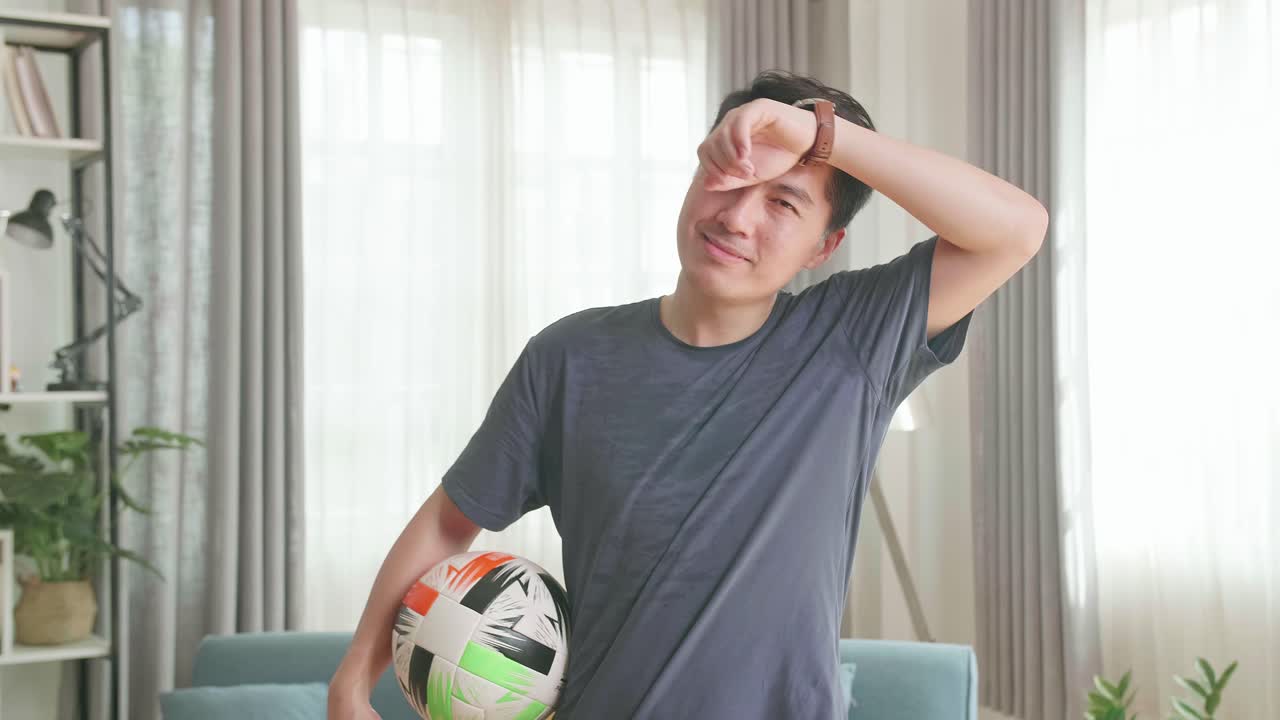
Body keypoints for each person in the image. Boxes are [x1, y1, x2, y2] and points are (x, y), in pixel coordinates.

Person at [327, 70, 1047, 719]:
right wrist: (353, 680)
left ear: (824, 248)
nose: (737, 218)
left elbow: (1016, 231)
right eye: (727, 178)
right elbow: (452, 521)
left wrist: (816, 131)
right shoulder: (569, 358)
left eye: (783, 203)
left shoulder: (852, 341)